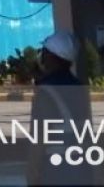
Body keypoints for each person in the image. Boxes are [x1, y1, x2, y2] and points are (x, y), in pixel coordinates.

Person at [27, 31, 95, 186]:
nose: (41, 57)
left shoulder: (45, 92)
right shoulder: (79, 88)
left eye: (44, 52)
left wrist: (32, 173)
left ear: (52, 57)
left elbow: (39, 138)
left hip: (56, 170)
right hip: (82, 167)